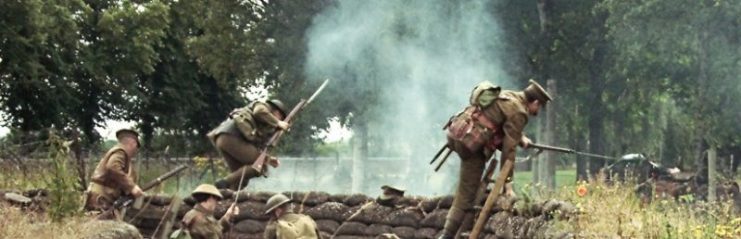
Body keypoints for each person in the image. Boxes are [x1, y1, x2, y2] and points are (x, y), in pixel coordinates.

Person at [439, 80, 552, 238]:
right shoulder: (520, 111)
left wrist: (521, 137)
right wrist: (508, 184)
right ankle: (446, 236)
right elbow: (509, 150)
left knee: (466, 187)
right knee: (466, 196)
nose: (537, 111)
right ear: (535, 102)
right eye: (539, 107)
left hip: (458, 135)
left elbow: (500, 122)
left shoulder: (509, 96)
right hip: (471, 145)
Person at [207, 99, 290, 190]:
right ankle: (223, 183)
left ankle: (223, 197)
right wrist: (278, 123)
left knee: (241, 180)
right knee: (260, 166)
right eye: (280, 117)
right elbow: (259, 112)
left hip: (224, 139)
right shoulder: (262, 106)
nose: (280, 120)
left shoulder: (264, 125)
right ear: (277, 112)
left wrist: (269, 159)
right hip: (232, 136)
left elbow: (255, 150)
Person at [84, 128, 145, 220]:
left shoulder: (119, 152)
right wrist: (131, 187)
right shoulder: (120, 152)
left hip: (101, 198)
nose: (136, 150)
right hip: (101, 199)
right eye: (136, 146)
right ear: (133, 143)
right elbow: (113, 167)